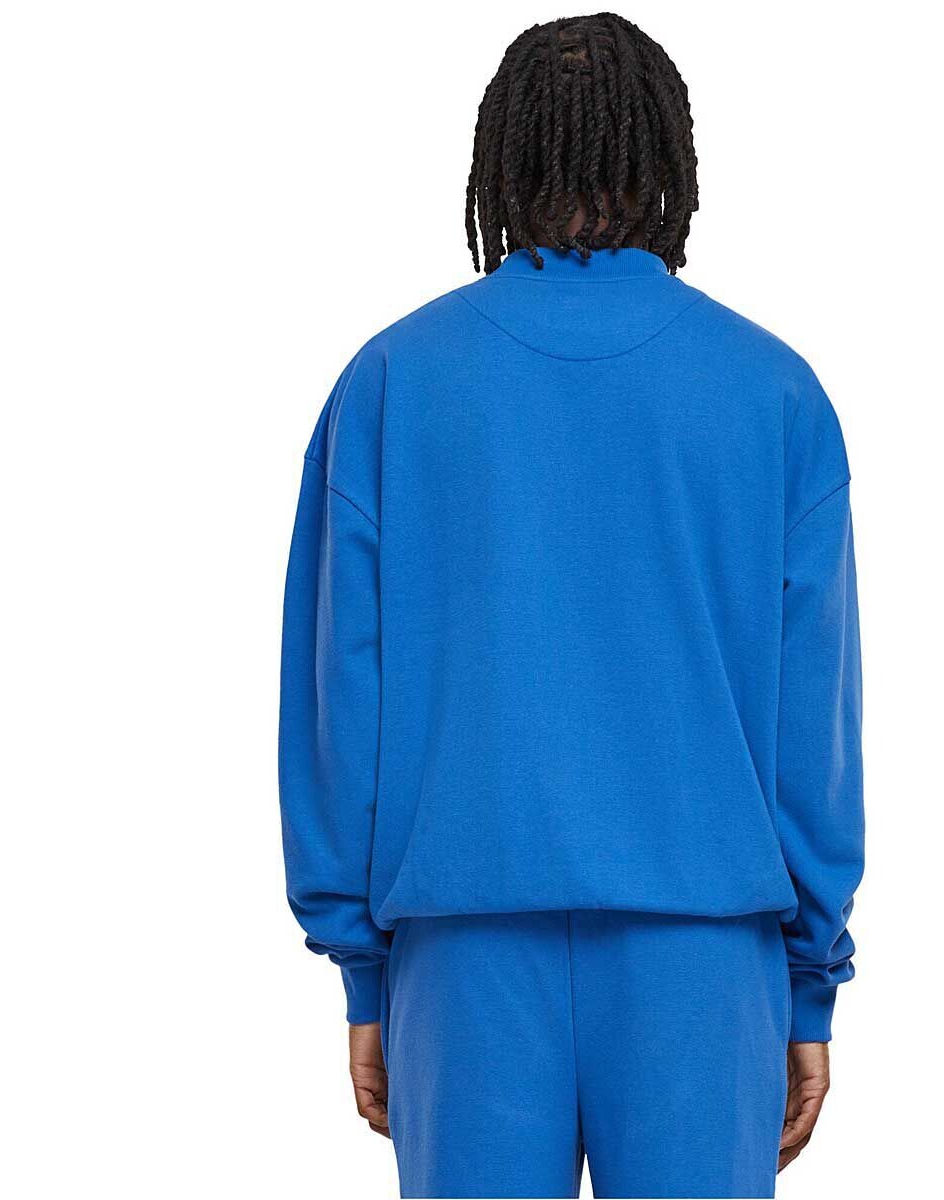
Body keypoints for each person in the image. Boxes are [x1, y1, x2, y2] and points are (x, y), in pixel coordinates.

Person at [279, 12, 864, 1198]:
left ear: (502, 162)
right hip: (704, 957)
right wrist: (809, 982)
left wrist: (362, 970)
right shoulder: (772, 391)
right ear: (665, 162)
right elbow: (814, 719)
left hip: (462, 956)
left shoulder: (392, 381)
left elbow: (341, 694)